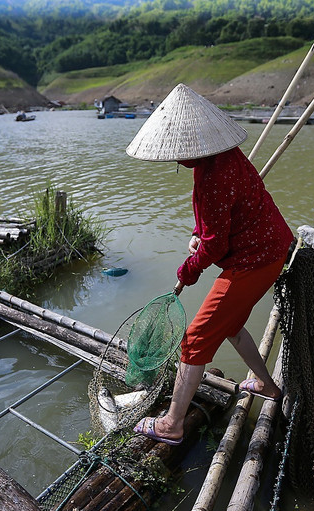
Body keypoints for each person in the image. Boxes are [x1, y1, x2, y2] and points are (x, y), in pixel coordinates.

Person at [125, 83, 294, 445]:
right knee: (231, 325)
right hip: (270, 249)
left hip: (254, 260)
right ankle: (265, 384)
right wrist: (199, 232)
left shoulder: (212, 174)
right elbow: (220, 220)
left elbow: (216, 246)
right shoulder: (227, 156)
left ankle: (172, 424)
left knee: (194, 340)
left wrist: (191, 266)